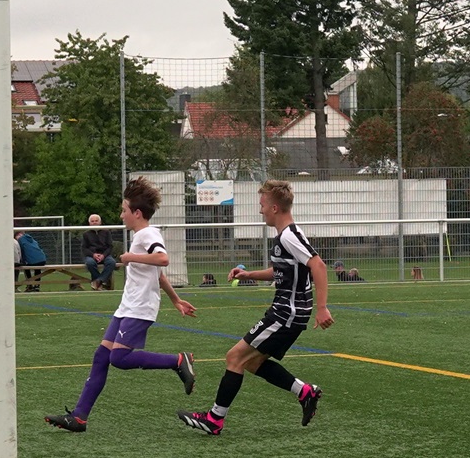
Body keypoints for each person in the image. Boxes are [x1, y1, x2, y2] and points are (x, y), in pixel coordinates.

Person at [178, 179, 333, 436]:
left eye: (262, 205)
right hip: (287, 312)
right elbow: (281, 271)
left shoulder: (289, 235)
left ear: (274, 208)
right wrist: (248, 275)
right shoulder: (286, 236)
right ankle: (305, 392)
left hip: (287, 313)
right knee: (251, 362)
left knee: (234, 357)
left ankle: (214, 419)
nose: (260, 210)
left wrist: (322, 307)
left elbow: (318, 265)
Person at [44, 177, 197, 433]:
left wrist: (128, 257)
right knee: (102, 356)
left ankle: (178, 360)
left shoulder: (147, 234)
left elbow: (162, 259)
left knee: (120, 358)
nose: (121, 215)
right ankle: (79, 417)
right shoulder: (141, 236)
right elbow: (158, 274)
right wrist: (175, 299)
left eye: (124, 210)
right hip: (127, 306)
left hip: (140, 307)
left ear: (136, 213)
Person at [82, 214, 117, 291]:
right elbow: (84, 248)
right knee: (90, 263)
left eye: (96, 221)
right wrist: (93, 255)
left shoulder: (106, 232)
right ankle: (100, 282)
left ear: (100, 222)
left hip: (105, 255)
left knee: (111, 262)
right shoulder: (86, 234)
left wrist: (103, 255)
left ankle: (98, 281)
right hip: (92, 255)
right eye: (92, 221)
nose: (94, 222)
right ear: (89, 223)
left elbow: (110, 246)